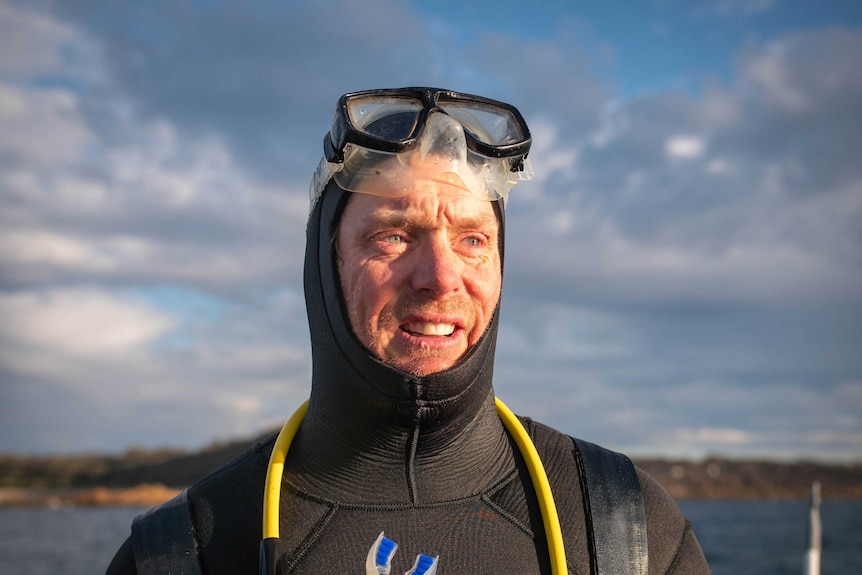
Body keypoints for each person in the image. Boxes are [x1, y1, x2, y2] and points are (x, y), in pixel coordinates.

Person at [107, 87, 710, 574]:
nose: (440, 277)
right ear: (325, 263)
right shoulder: (186, 549)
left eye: (473, 240)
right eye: (393, 235)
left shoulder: (627, 528)